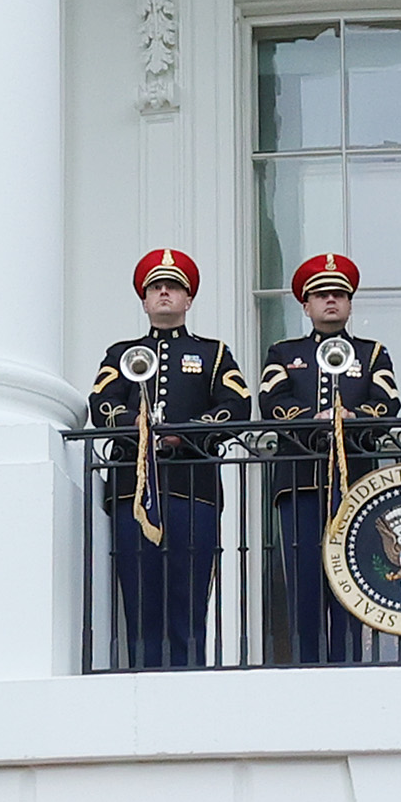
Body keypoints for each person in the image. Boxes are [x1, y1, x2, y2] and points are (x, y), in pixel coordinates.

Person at [88, 250, 253, 670]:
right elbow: (101, 402)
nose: (164, 292)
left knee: (189, 599)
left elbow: (237, 405)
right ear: (144, 302)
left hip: (192, 491)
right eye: (155, 288)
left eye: (173, 287)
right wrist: (138, 425)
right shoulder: (120, 353)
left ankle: (188, 683)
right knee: (140, 601)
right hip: (134, 492)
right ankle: (142, 685)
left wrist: (185, 433)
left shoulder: (214, 353)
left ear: (188, 299)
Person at [258, 253, 399, 665]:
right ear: (306, 305)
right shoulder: (284, 352)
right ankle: (304, 668)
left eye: (339, 294)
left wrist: (355, 419)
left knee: (352, 584)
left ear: (350, 304)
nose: (331, 301)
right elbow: (272, 402)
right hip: (300, 482)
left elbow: (387, 403)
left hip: (355, 485)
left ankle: (350, 665)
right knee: (303, 586)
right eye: (321, 295)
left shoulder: (372, 354)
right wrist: (309, 419)